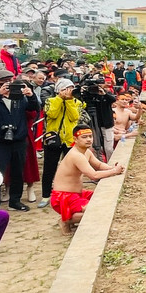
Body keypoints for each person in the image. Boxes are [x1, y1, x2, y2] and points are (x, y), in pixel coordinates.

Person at [50, 124, 124, 235]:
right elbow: (93, 175)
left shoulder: (86, 151)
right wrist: (114, 171)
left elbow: (98, 165)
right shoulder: (76, 155)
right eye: (84, 137)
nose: (89, 139)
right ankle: (65, 220)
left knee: (103, 201)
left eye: (90, 136)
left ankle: (70, 218)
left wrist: (112, 168)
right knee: (95, 211)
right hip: (63, 197)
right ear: (75, 139)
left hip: (76, 194)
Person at [0, 69, 40, 211]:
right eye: (4, 82)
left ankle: (15, 201)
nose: (8, 85)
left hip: (18, 140)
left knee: (18, 171)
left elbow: (34, 108)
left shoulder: (20, 98)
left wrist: (31, 96)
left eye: (10, 81)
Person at [39, 78, 85, 209]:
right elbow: (51, 114)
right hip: (53, 138)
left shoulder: (76, 101)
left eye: (71, 88)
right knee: (49, 168)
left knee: (73, 169)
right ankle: (46, 195)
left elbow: (74, 117)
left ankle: (72, 193)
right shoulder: (50, 101)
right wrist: (60, 98)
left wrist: (69, 101)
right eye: (66, 88)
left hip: (70, 139)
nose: (69, 91)